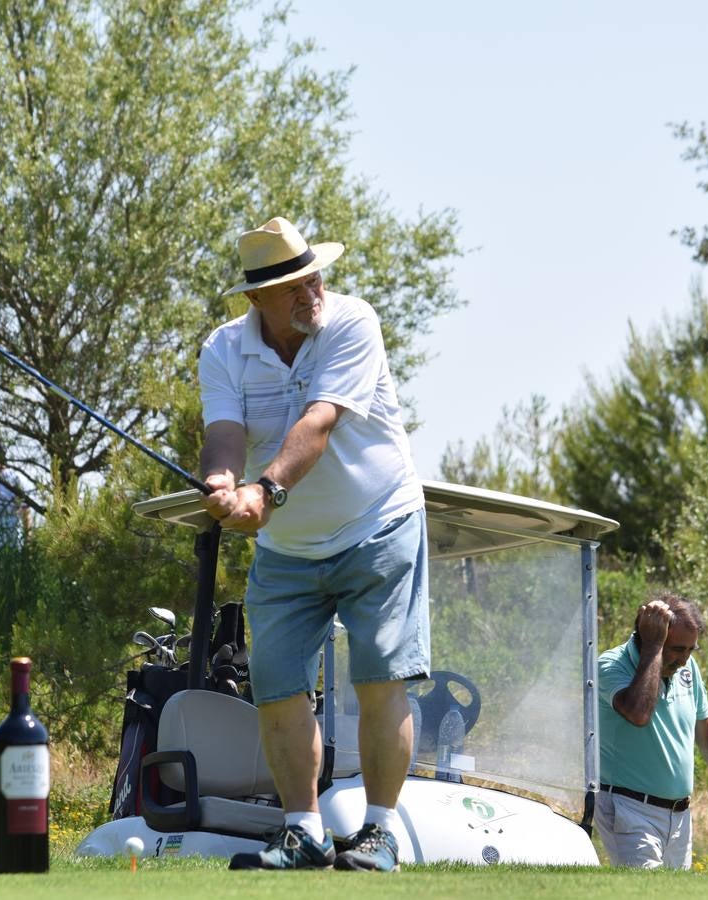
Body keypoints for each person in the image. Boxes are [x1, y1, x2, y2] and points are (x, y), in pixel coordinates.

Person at [199, 216, 428, 872]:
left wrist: (262, 495)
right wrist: (222, 480)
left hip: (378, 523)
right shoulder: (222, 349)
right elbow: (224, 430)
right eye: (294, 286)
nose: (312, 293)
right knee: (275, 689)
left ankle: (379, 833)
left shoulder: (353, 324)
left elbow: (318, 422)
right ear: (255, 301)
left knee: (381, 677)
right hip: (289, 549)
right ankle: (303, 832)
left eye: (315, 277)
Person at [595, 590, 708, 869]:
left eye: (691, 650)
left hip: (679, 817)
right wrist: (653, 648)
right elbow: (639, 713)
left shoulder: (687, 669)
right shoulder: (610, 665)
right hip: (629, 810)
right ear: (651, 637)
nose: (685, 660)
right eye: (676, 649)